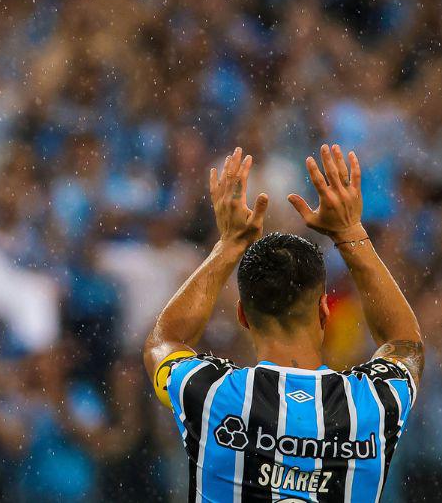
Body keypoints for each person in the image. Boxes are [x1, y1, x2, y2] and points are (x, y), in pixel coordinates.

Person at [143, 144, 423, 502]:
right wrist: (350, 232)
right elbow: (405, 344)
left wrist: (228, 246)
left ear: (242, 316)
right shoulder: (372, 404)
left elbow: (164, 340)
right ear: (325, 311)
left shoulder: (211, 393)